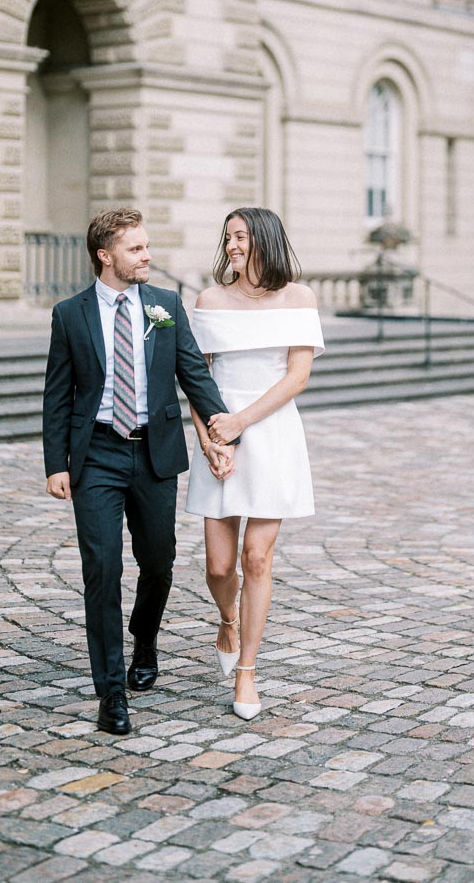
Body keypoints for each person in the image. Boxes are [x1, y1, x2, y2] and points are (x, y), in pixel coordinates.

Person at [42, 207, 232, 736]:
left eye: (147, 247)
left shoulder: (165, 306)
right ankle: (110, 693)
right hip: (96, 456)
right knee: (101, 570)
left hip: (154, 454)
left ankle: (143, 640)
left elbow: (193, 371)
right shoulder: (70, 315)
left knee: (159, 560)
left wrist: (221, 431)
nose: (147, 256)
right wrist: (57, 463)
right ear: (106, 256)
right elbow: (57, 396)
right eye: (136, 249)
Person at [185, 207, 324, 720]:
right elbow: (194, 378)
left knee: (256, 557)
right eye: (228, 237)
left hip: (271, 431)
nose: (232, 245)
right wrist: (209, 441)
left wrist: (240, 422)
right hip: (218, 433)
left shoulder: (299, 298)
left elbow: (297, 377)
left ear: (264, 239)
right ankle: (226, 618)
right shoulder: (210, 300)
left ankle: (247, 670)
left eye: (241, 236)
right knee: (219, 566)